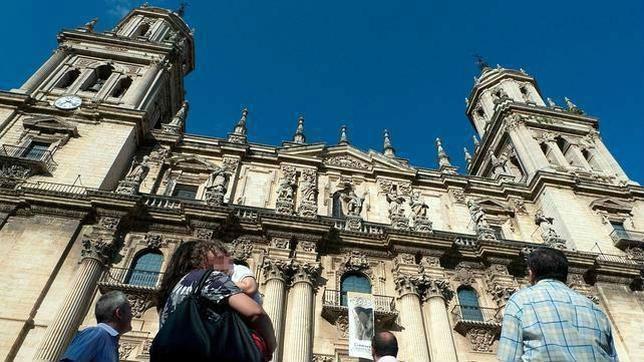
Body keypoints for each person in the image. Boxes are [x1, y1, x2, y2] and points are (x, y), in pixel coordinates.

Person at [157, 239, 276, 361]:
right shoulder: (210, 277)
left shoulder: (172, 292)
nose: (227, 263)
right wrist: (271, 346)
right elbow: (256, 312)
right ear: (203, 260)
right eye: (220, 258)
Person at [497, 247, 618, 361]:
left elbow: (509, 357)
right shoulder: (594, 308)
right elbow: (612, 357)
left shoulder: (520, 300)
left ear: (531, 272)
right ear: (565, 273)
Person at [60, 291, 132, 362]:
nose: (132, 315)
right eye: (130, 310)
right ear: (119, 313)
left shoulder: (110, 341)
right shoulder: (97, 333)